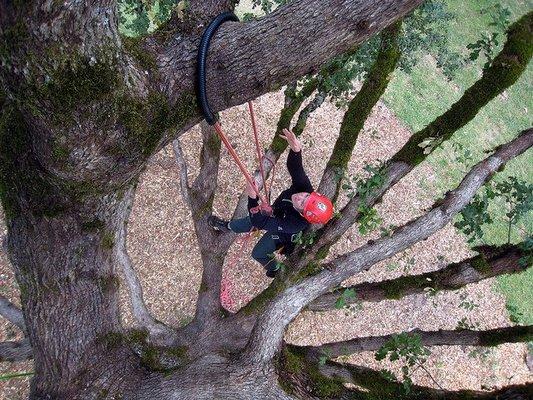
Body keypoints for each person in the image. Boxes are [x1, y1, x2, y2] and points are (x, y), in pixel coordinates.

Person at [209, 128, 333, 277]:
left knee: (258, 253)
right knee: (247, 222)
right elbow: (296, 169)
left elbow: (260, 222)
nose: (300, 197)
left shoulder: (295, 224)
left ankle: (273, 268)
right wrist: (296, 150)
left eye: (302, 203)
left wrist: (252, 197)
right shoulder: (305, 189)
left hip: (282, 234)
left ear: (303, 213)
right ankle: (228, 226)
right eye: (306, 196)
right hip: (278, 212)